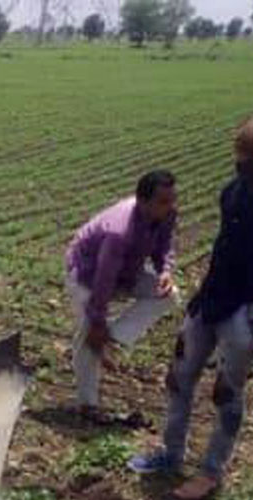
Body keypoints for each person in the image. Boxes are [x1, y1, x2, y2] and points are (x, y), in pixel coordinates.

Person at [130, 113, 253, 500]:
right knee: (178, 376)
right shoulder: (234, 190)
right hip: (210, 299)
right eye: (238, 151)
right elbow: (223, 247)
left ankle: (211, 470)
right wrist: (199, 297)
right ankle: (171, 453)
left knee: (227, 392)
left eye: (248, 153)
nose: (239, 159)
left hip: (247, 311)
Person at [65, 171, 180, 419]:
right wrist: (97, 323)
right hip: (88, 274)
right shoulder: (119, 231)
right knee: (88, 337)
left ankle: (114, 337)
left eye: (172, 199)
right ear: (142, 200)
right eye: (164, 201)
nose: (171, 206)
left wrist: (165, 271)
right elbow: (102, 280)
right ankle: (87, 405)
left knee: (168, 295)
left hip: (127, 270)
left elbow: (165, 244)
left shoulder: (166, 213)